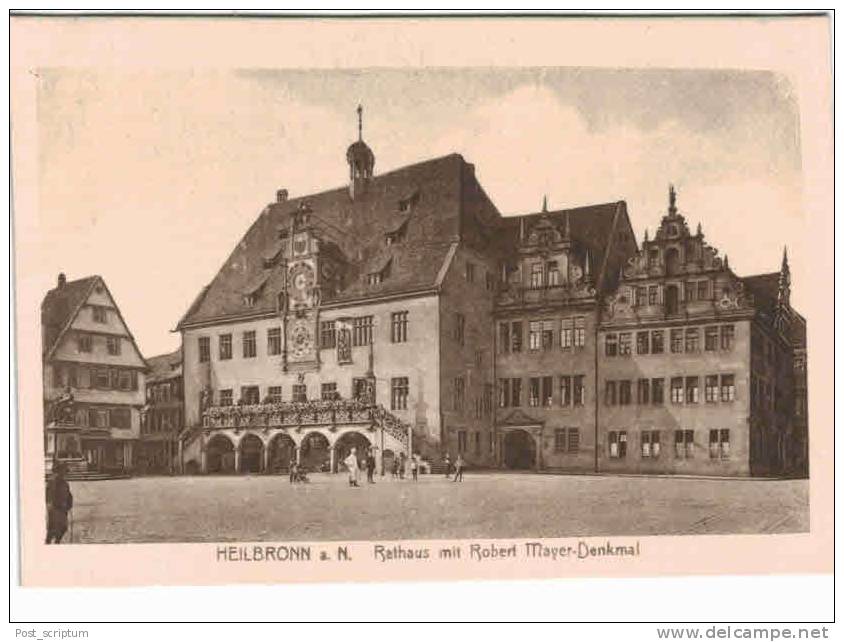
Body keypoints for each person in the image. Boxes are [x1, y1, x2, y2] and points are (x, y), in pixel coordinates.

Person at [45, 463, 73, 544]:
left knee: (63, 528)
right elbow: (49, 495)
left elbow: (68, 494)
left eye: (65, 471)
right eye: (63, 471)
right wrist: (52, 505)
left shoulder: (64, 483)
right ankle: (48, 544)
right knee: (53, 529)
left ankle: (57, 542)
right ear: (58, 471)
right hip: (55, 509)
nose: (64, 473)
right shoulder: (52, 481)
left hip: (63, 509)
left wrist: (69, 503)